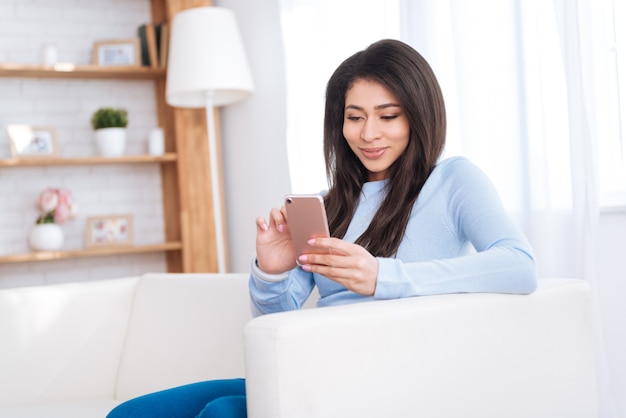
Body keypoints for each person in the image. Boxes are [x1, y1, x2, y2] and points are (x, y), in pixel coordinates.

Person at [107, 38, 537, 418]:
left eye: (388, 116)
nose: (369, 133)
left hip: (388, 376)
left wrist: (383, 277)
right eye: (355, 117)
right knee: (130, 413)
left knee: (222, 412)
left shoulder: (453, 181)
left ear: (419, 116)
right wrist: (272, 269)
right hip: (311, 364)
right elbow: (277, 324)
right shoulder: (330, 205)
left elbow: (518, 265)